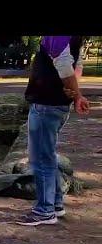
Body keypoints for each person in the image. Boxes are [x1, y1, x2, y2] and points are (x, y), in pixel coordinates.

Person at [15, 36, 90, 226]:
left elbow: (65, 63)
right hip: (54, 104)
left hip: (46, 104)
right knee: (47, 155)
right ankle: (55, 204)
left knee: (41, 158)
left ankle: (44, 210)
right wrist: (73, 91)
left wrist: (76, 93)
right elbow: (77, 62)